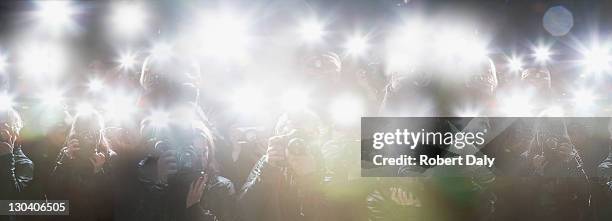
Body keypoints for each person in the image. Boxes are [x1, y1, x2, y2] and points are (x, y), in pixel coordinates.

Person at [136, 105, 235, 221]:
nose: (200, 158)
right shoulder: (169, 186)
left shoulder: (222, 186)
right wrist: (160, 182)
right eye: (191, 153)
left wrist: (195, 209)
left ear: (210, 151)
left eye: (203, 152)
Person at [237, 109, 326, 221]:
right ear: (280, 137)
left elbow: (335, 213)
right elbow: (243, 211)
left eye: (302, 137)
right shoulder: (269, 163)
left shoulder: (324, 164)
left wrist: (310, 178)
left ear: (315, 138)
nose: (296, 144)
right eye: (290, 137)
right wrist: (267, 170)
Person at [47, 111, 115, 221]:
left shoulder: (108, 157)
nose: (91, 137)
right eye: (85, 132)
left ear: (101, 133)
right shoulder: (66, 154)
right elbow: (53, 195)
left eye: (96, 131)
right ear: (76, 132)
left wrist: (98, 172)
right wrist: (65, 161)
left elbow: (109, 203)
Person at [0, 108, 33, 221]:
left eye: (5, 125)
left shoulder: (24, 163)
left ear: (16, 132)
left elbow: (11, 201)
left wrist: (6, 158)